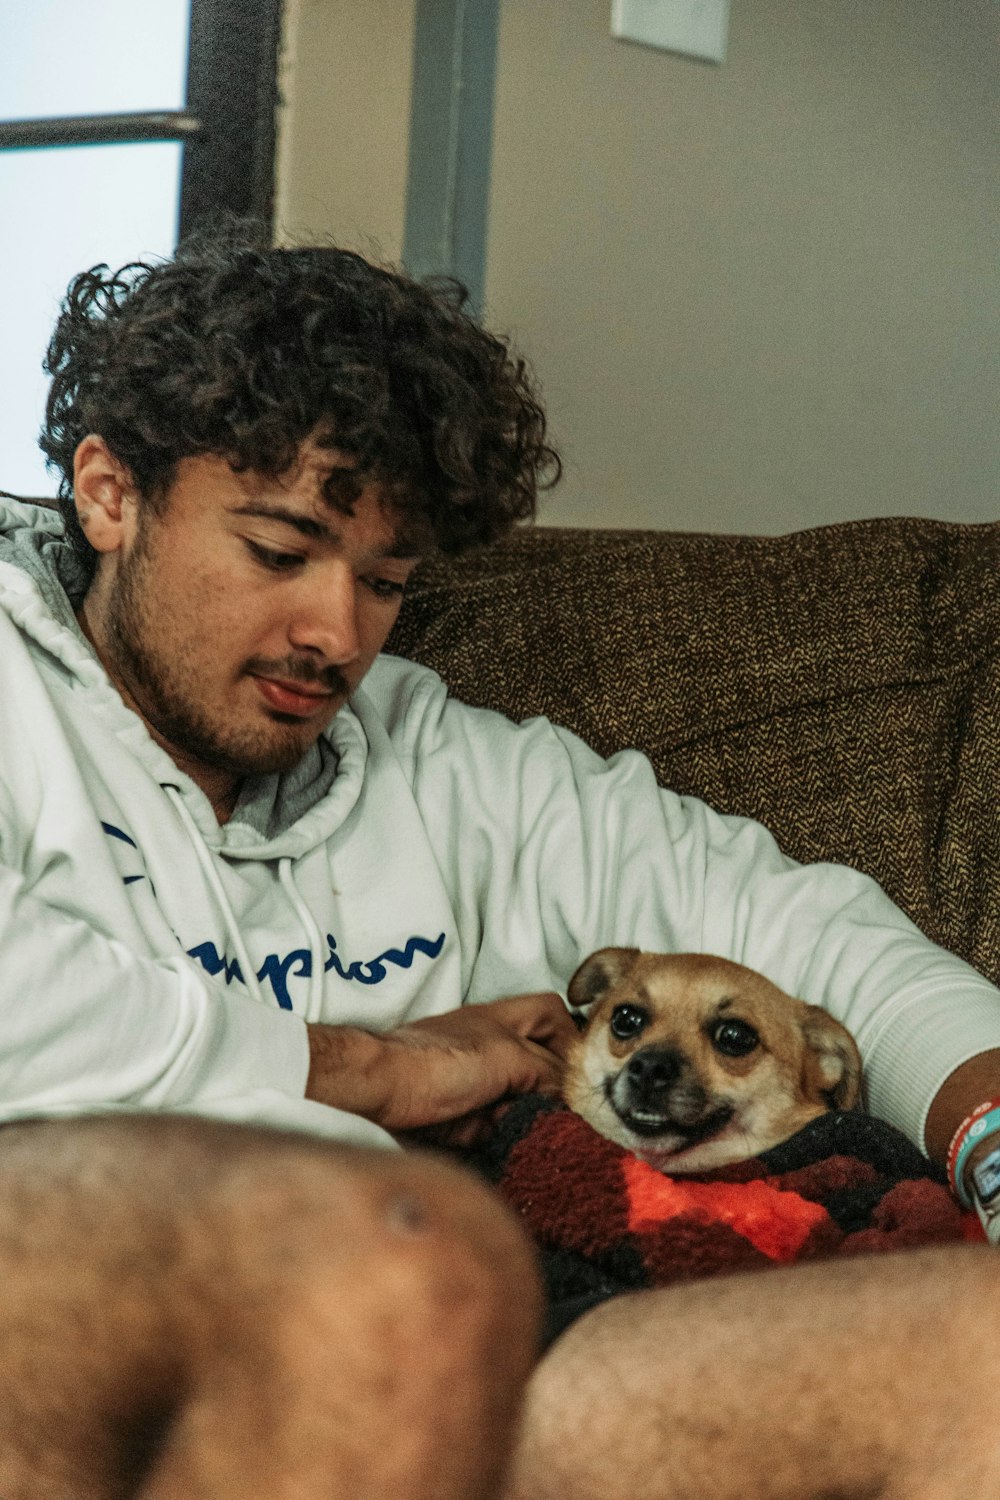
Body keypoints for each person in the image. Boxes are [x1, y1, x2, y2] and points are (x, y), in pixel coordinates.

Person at [1, 222, 999, 1499]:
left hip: (444, 1355)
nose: (332, 633)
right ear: (108, 492)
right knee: (409, 1262)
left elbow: (812, 937)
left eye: (384, 580)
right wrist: (371, 1069)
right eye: (278, 550)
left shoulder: (445, 760)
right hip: (90, 1315)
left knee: (969, 1346)